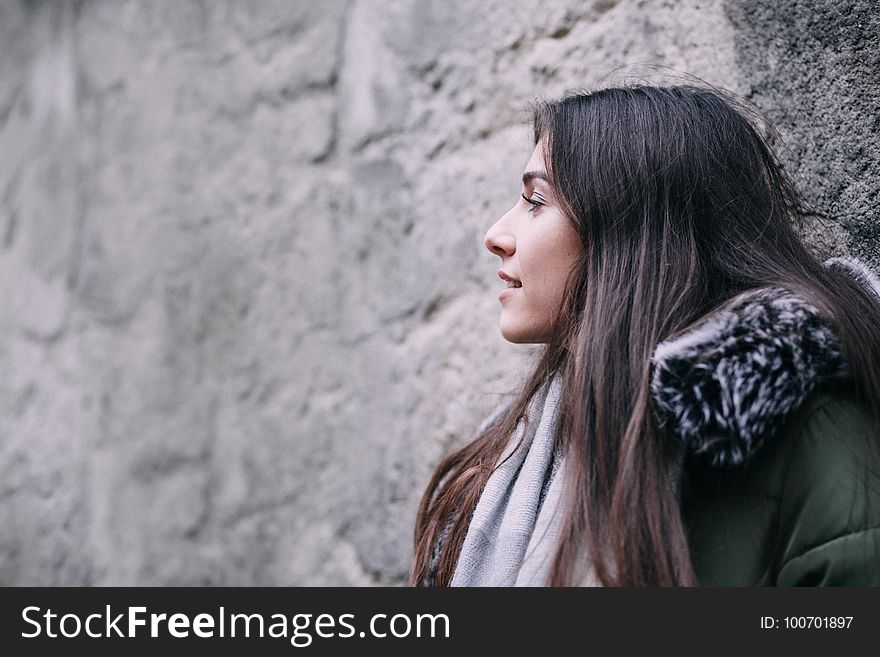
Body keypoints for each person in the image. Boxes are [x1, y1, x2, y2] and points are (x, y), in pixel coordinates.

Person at [410, 83, 880, 587]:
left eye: (535, 201)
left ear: (632, 230)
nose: (496, 235)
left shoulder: (809, 433)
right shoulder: (515, 451)